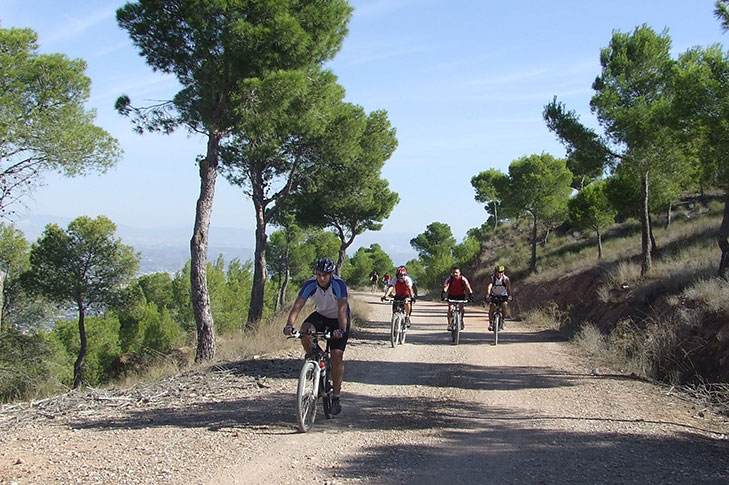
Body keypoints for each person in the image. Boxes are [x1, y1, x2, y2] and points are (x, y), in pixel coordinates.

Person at [284, 258, 349, 416]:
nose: (321, 278)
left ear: (331, 274)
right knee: (305, 331)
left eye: (325, 275)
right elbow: (298, 305)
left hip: (339, 319)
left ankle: (336, 397)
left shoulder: (338, 285)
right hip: (320, 315)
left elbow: (342, 309)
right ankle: (316, 357)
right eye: (319, 274)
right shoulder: (310, 284)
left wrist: (341, 329)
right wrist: (289, 325)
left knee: (336, 355)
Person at [441, 267, 474, 331]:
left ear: (459, 273)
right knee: (450, 309)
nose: (455, 274)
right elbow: (446, 287)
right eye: (453, 273)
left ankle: (461, 320)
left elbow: (468, 287)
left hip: (461, 295)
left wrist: (471, 295)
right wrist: (443, 294)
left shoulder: (463, 279)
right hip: (451, 296)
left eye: (456, 273)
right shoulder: (449, 279)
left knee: (462, 308)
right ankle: (449, 324)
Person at [486, 265, 512, 331]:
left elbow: (508, 288)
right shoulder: (492, 278)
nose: (499, 274)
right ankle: (491, 324)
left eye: (501, 272)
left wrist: (509, 296)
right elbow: (490, 286)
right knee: (492, 306)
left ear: (503, 272)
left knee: (504, 305)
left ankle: (503, 320)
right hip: (494, 295)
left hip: (503, 295)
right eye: (498, 272)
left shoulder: (506, 279)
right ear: (495, 272)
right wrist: (488, 294)